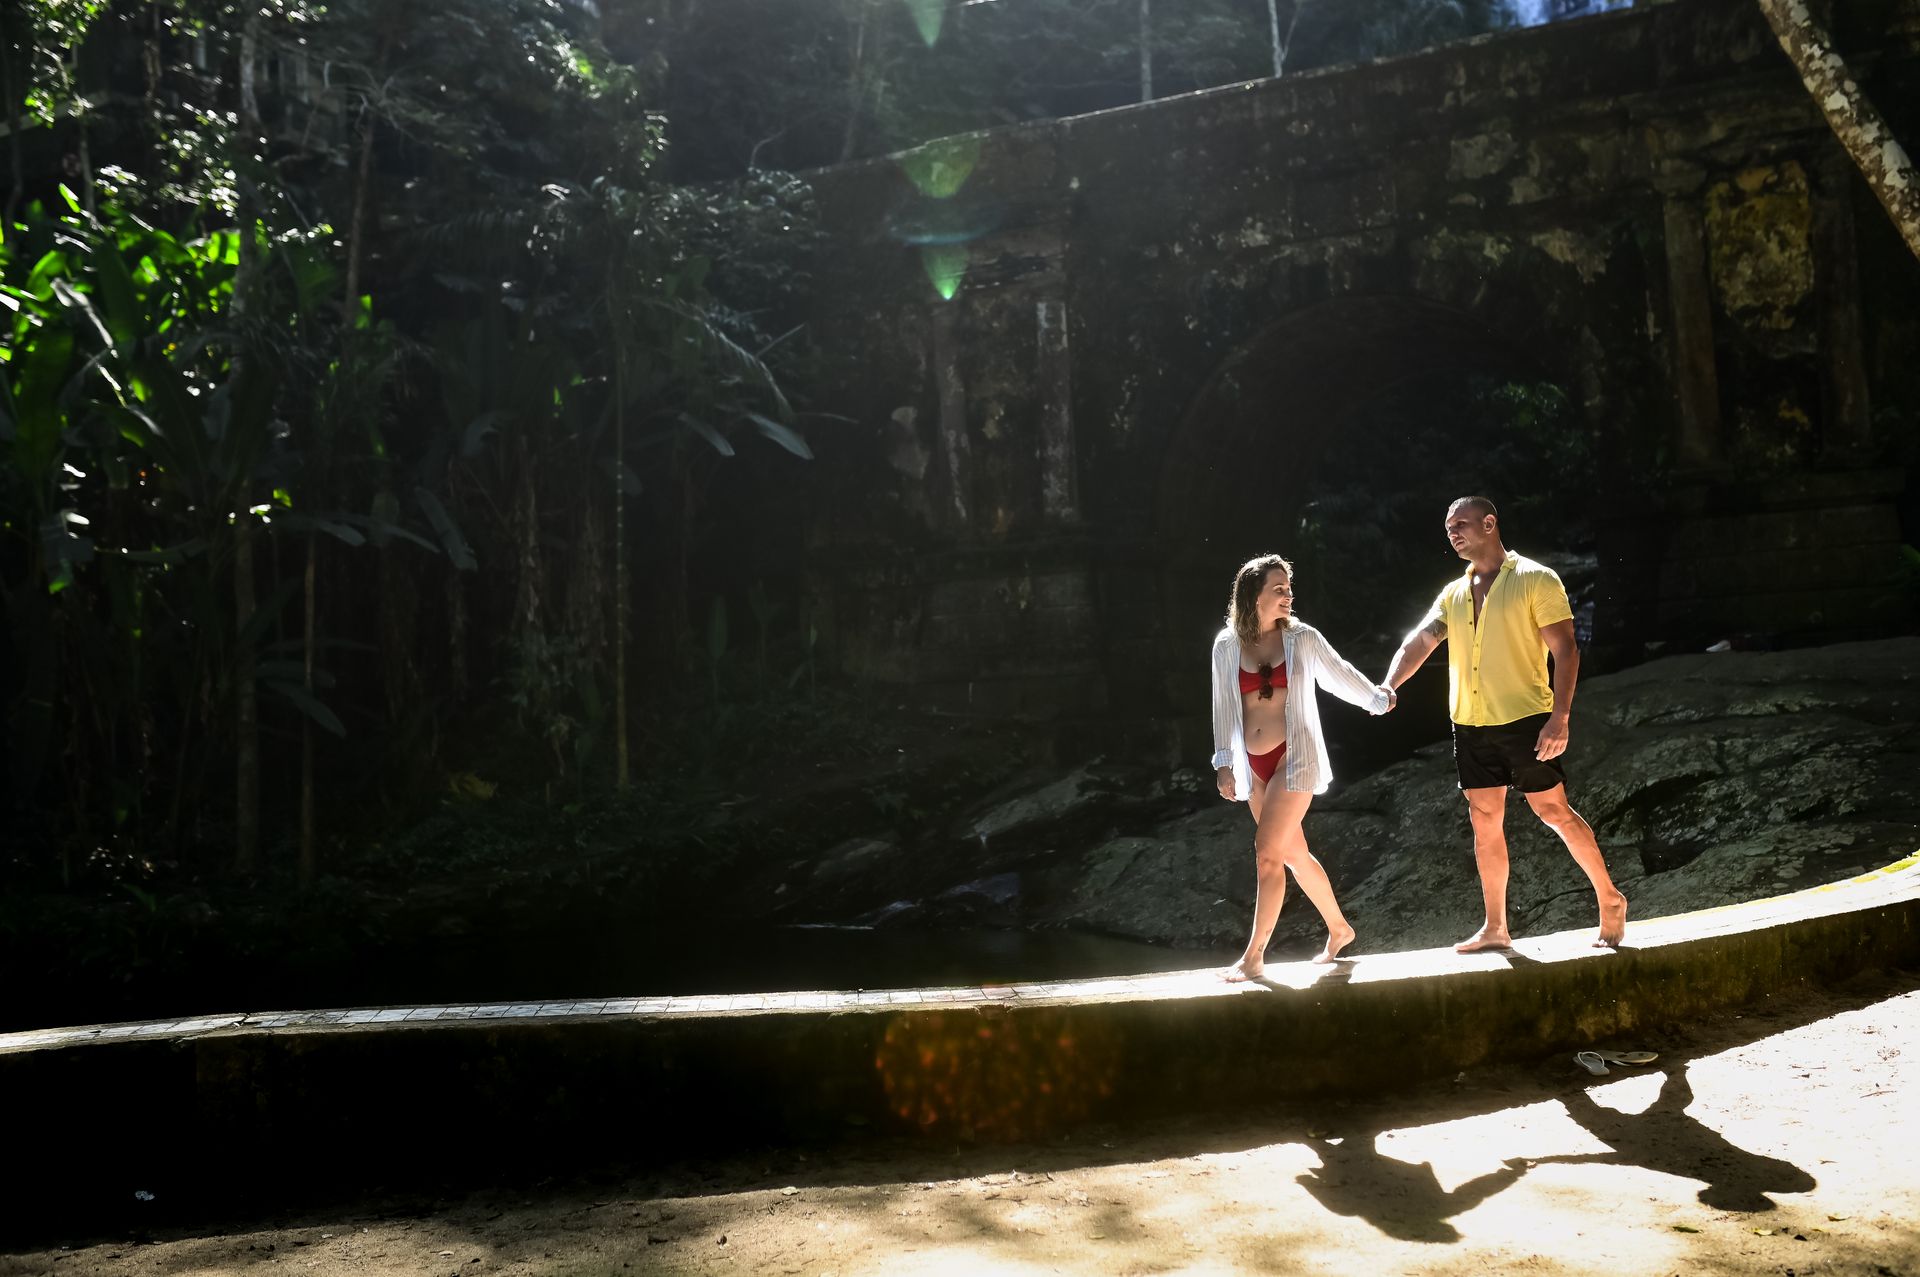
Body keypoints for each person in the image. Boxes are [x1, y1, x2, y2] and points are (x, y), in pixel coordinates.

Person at [1383, 496, 1628, 951]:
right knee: (1484, 820)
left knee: (1552, 811)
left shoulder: (1536, 578)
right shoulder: (1453, 593)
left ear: (1489, 523)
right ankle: (1496, 927)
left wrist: (1560, 718)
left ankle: (1610, 898)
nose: (1453, 533)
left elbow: (1567, 650)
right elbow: (1420, 640)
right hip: (1469, 723)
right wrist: (1389, 684)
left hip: (1525, 720)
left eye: (1461, 523)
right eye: (1448, 528)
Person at [1211, 554, 1397, 980]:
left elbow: (1338, 674)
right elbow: (1221, 706)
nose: (1288, 595)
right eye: (1279, 589)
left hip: (1293, 759)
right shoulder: (1226, 645)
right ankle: (1340, 928)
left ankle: (1254, 956)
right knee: (1293, 854)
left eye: (1289, 588)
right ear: (1253, 596)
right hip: (1251, 765)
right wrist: (1224, 763)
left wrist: (1377, 699)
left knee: (1267, 852)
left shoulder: (1302, 638)